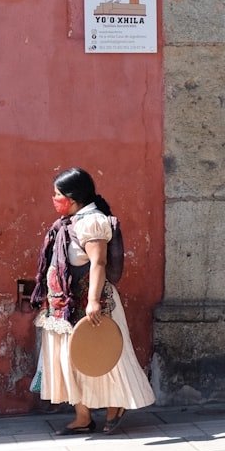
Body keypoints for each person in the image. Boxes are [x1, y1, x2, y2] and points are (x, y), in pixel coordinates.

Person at [30, 167, 155, 435]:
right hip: (64, 306)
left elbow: (98, 262)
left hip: (92, 306)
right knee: (70, 359)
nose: (54, 199)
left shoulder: (93, 222)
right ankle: (82, 416)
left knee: (103, 357)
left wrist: (93, 301)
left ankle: (115, 406)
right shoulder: (70, 222)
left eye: (57, 194)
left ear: (72, 197)